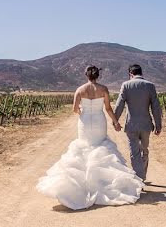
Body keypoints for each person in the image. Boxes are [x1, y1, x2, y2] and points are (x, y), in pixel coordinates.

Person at [36, 65, 144, 210]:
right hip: (100, 121)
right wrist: (116, 122)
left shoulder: (80, 90)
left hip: (85, 121)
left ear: (86, 75)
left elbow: (75, 109)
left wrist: (82, 112)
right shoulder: (104, 89)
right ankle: (102, 181)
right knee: (99, 145)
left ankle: (82, 183)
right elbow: (108, 108)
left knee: (85, 146)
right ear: (98, 76)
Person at [113, 64, 161, 181]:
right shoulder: (150, 86)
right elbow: (156, 107)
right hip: (146, 125)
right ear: (141, 73)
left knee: (134, 153)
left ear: (130, 73)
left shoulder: (126, 85)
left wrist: (115, 120)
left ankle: (139, 178)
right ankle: (141, 176)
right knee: (145, 150)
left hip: (131, 125)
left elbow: (119, 105)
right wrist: (158, 125)